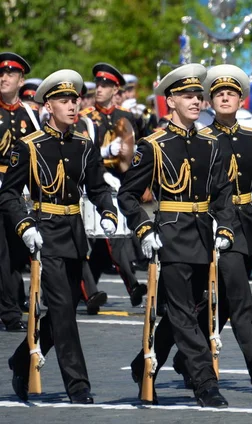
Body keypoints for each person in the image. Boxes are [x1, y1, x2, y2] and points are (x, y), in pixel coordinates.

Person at [119, 63, 234, 408]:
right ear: (171, 100)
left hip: (202, 234)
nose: (197, 101)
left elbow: (224, 191)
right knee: (182, 310)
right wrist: (143, 227)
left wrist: (225, 226)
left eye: (199, 95)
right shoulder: (154, 144)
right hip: (170, 234)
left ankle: (143, 362)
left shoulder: (212, 144)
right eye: (188, 96)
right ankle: (205, 382)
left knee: (192, 310)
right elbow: (127, 194)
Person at [3, 69, 118, 403]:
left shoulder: (84, 146)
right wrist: (25, 226)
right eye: (64, 100)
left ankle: (21, 359)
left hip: (75, 234)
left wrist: (108, 211)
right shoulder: (29, 147)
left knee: (64, 307)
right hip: (45, 233)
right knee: (64, 312)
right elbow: (9, 195)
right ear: (48, 105)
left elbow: (97, 187)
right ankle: (77, 383)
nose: (72, 105)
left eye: (75, 99)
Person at [170, 64, 252, 393]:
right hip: (208, 224)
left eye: (230, 93)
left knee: (222, 302)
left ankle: (184, 358)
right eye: (218, 93)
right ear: (209, 99)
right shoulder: (200, 137)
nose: (224, 98)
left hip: (244, 223)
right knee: (236, 299)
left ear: (241, 99)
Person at [79, 63, 147, 308]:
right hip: (93, 183)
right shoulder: (86, 118)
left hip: (118, 182)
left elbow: (135, 150)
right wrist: (105, 152)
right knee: (92, 239)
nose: (99, 88)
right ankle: (103, 289)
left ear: (115, 89)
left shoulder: (125, 116)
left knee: (108, 238)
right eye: (97, 84)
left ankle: (90, 292)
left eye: (105, 85)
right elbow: (82, 151)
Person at [0, 52, 40, 332]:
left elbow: (38, 151)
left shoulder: (29, 114)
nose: (4, 78)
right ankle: (10, 311)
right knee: (2, 251)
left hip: (19, 191)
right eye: (1, 74)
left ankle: (15, 302)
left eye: (10, 74)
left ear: (21, 79)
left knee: (17, 252)